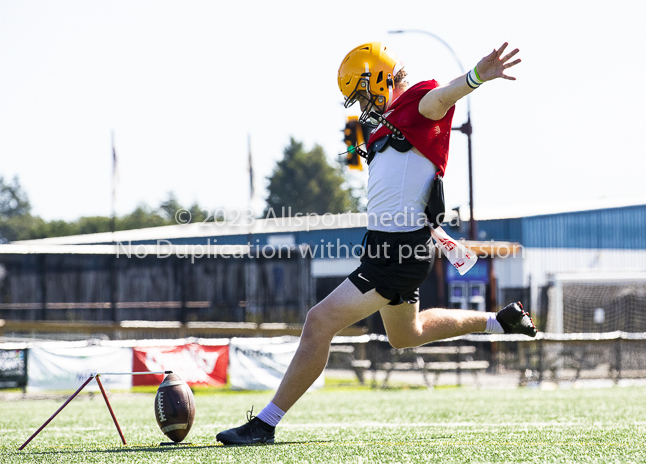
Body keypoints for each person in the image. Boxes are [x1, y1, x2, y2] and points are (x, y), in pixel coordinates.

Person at [216, 41, 536, 446]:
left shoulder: (419, 101)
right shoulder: (386, 124)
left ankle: (265, 424)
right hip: (391, 247)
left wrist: (476, 76)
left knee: (319, 322)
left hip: (398, 250)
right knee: (408, 334)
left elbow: (442, 96)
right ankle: (500, 319)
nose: (363, 104)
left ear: (381, 77)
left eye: (364, 92)